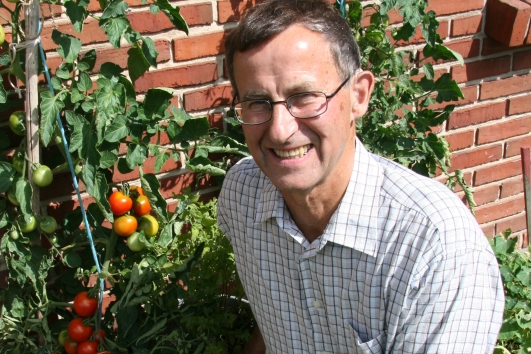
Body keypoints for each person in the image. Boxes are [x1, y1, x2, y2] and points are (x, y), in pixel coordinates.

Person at [216, 0, 505, 353]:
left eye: (304, 96)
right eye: (257, 102)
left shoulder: (433, 245)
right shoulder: (241, 196)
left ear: (359, 95)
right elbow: (275, 320)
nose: (279, 131)